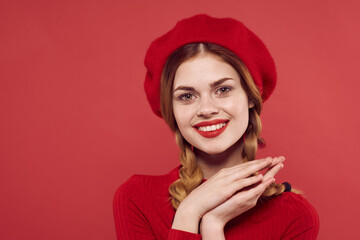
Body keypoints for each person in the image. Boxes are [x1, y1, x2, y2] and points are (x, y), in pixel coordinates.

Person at [113, 14, 319, 240]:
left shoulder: (293, 216)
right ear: (171, 109)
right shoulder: (137, 198)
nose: (207, 109)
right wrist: (189, 212)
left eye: (222, 90)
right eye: (187, 96)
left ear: (251, 96)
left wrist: (213, 224)